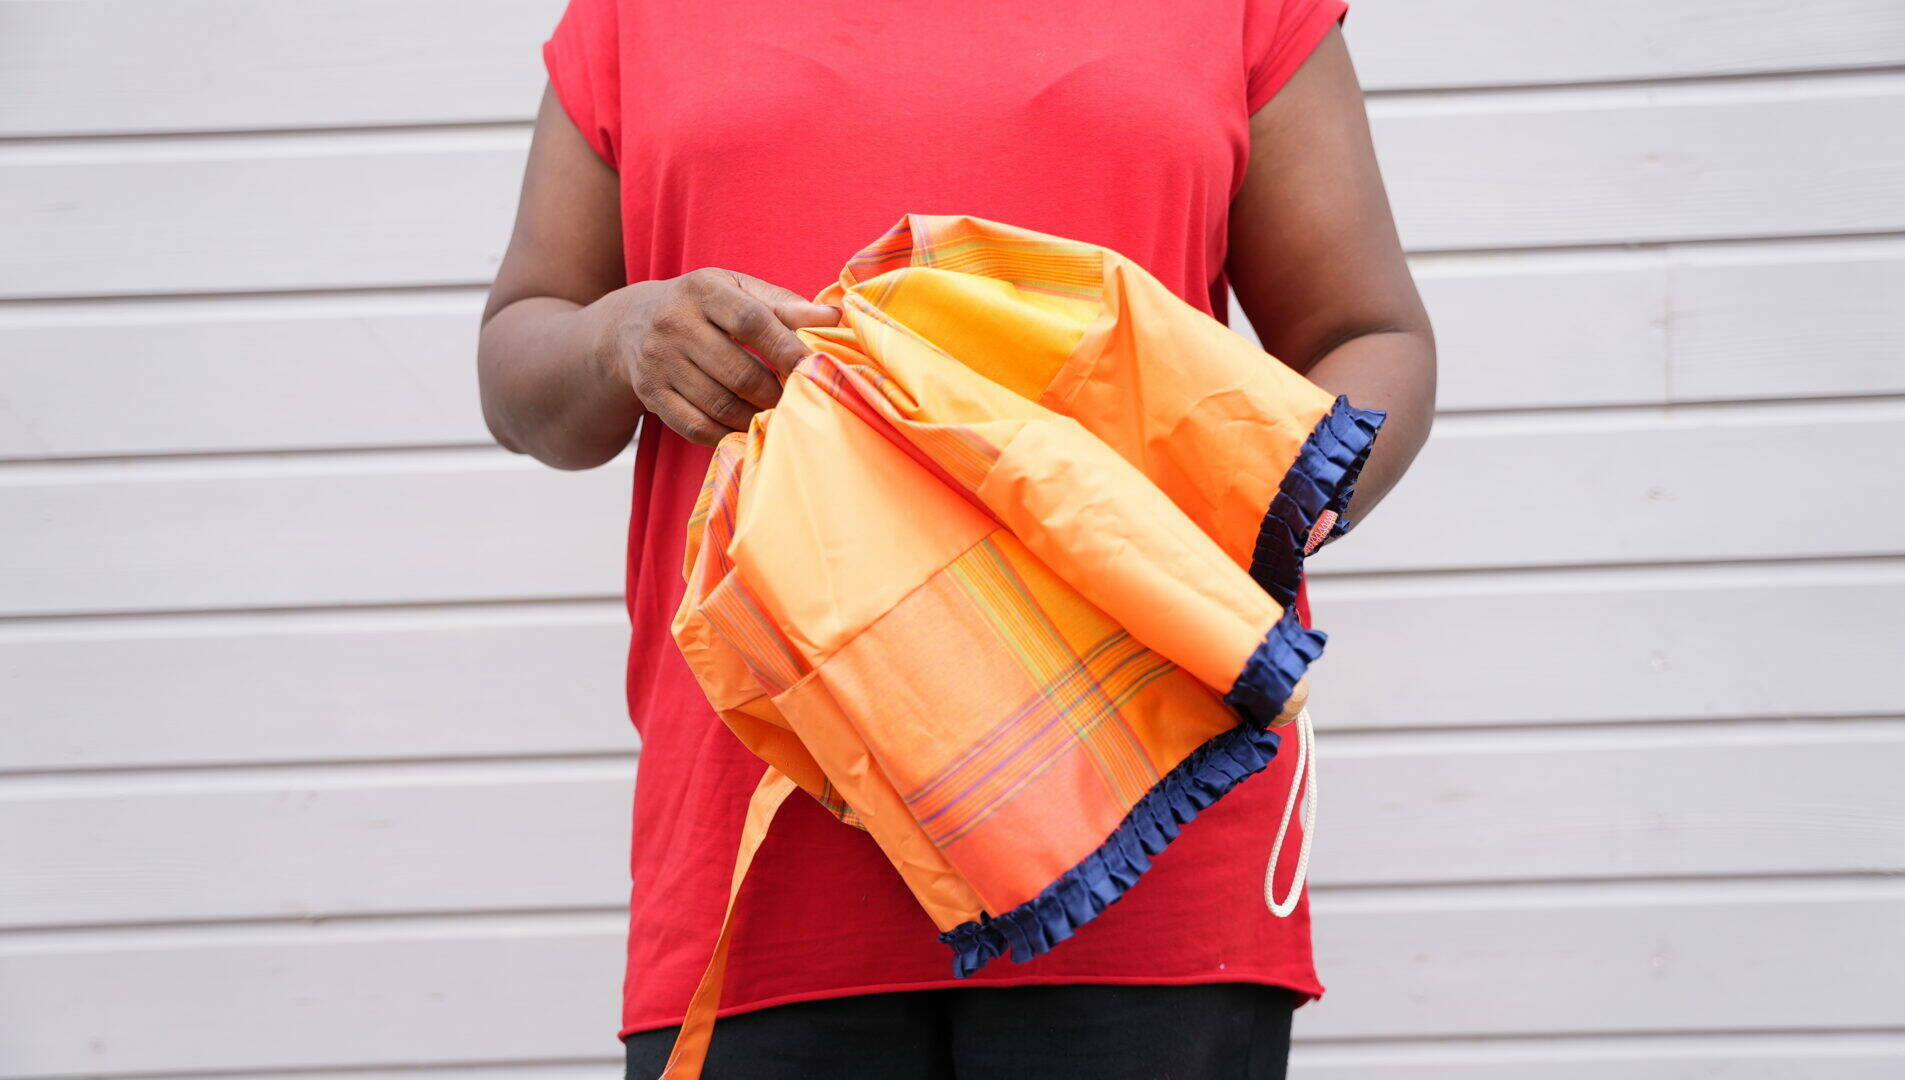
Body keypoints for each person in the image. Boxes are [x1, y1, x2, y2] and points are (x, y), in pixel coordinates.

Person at [477, 2, 1435, 1076]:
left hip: (1149, 811)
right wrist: (620, 334)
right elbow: (522, 352)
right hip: (760, 835)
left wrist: (1217, 529)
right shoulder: (634, 18)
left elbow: (1366, 334)